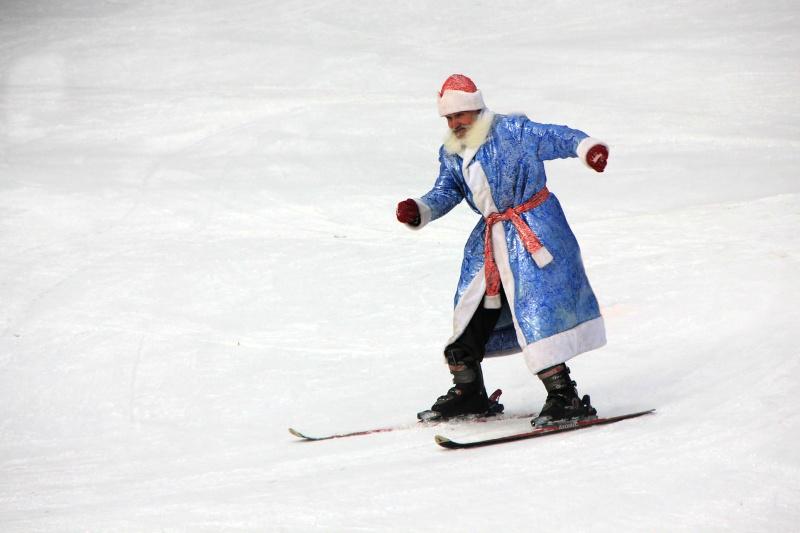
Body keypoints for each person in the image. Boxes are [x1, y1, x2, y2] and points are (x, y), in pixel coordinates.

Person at [396, 74, 610, 426]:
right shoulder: (451, 152)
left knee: (537, 311)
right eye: (448, 119)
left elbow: (557, 136)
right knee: (469, 312)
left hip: (536, 234)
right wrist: (420, 209)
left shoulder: (514, 131)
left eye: (458, 116)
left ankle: (563, 395)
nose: (453, 124)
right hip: (490, 241)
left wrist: (588, 148)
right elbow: (446, 190)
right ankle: (469, 392)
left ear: (476, 109)